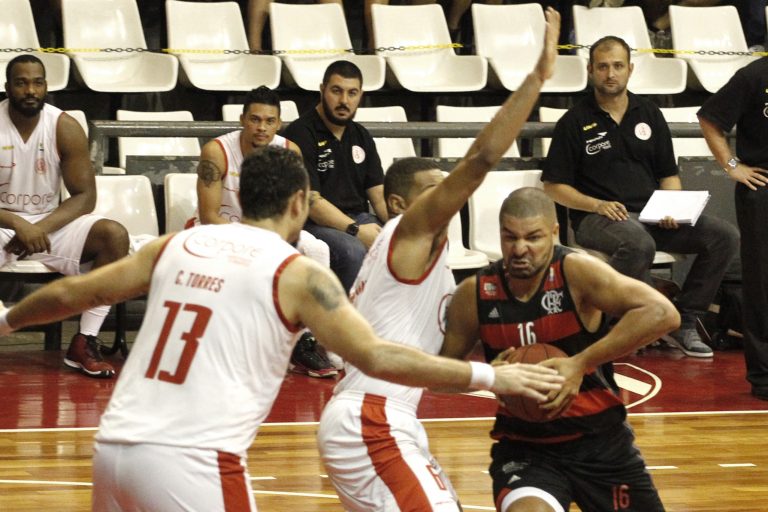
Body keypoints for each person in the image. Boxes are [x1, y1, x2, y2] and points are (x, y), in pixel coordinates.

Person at [0, 146, 564, 511]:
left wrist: (5, 320)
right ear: (299, 203)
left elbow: (73, 293)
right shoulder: (295, 272)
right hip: (193, 460)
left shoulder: (179, 244)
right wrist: (492, 378)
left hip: (113, 451)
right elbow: (377, 357)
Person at [316, 8, 562, 511]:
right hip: (371, 419)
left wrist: (500, 360)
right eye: (434, 190)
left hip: (384, 418)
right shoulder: (404, 235)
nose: (448, 196)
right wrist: (537, 78)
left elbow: (436, 371)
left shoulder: (433, 269)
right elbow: (479, 161)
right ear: (400, 205)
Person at [440, 187, 680, 512]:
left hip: (602, 444)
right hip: (525, 449)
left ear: (553, 233)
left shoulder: (576, 272)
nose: (520, 249)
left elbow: (663, 313)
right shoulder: (475, 293)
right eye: (510, 237)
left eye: (533, 237)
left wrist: (580, 363)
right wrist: (487, 376)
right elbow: (440, 376)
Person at [541, 35, 739, 358]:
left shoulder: (649, 113)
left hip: (652, 215)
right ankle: (608, 326)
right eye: (603, 67)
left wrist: (672, 207)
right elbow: (552, 186)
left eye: (618, 66)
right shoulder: (573, 121)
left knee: (724, 237)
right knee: (638, 243)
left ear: (630, 69)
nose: (611, 74)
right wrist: (596, 204)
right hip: (597, 218)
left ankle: (684, 320)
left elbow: (668, 175)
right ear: (590, 70)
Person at [192, 85, 339, 378]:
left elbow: (296, 210)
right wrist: (258, 239)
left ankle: (305, 340)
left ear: (279, 123)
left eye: (269, 121)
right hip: (220, 232)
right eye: (255, 119)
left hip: (269, 232)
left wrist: (276, 238)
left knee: (317, 248)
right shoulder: (217, 151)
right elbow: (208, 216)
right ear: (242, 120)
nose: (262, 127)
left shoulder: (290, 152)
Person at [0, 54, 129, 378]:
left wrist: (38, 228)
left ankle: (85, 341)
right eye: (21, 83)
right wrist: (18, 224)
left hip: (49, 225)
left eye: (38, 82)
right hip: (4, 224)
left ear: (46, 86)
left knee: (113, 236)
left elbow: (85, 196)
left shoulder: (64, 126)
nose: (31, 90)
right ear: (7, 87)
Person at [697, 57, 768, 401]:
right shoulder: (753, 76)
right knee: (762, 284)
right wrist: (732, 165)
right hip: (762, 187)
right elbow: (709, 118)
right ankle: (764, 376)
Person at [284, 60, 388, 292]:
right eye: (336, 91)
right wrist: (356, 230)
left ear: (360, 95)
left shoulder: (361, 135)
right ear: (322, 90)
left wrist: (403, 226)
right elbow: (312, 203)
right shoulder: (301, 133)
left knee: (402, 243)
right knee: (352, 251)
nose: (344, 101)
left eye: (352, 93)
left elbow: (379, 196)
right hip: (313, 224)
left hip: (358, 218)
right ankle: (342, 314)